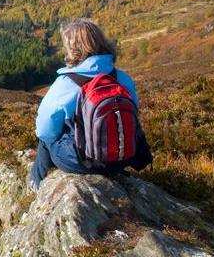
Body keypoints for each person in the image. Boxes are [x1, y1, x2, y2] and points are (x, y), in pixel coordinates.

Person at [29, 18, 150, 191]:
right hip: (122, 159)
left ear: (73, 49)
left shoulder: (67, 83)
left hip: (85, 162)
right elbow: (133, 116)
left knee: (45, 140)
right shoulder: (121, 78)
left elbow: (45, 130)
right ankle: (110, 169)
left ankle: (36, 183)